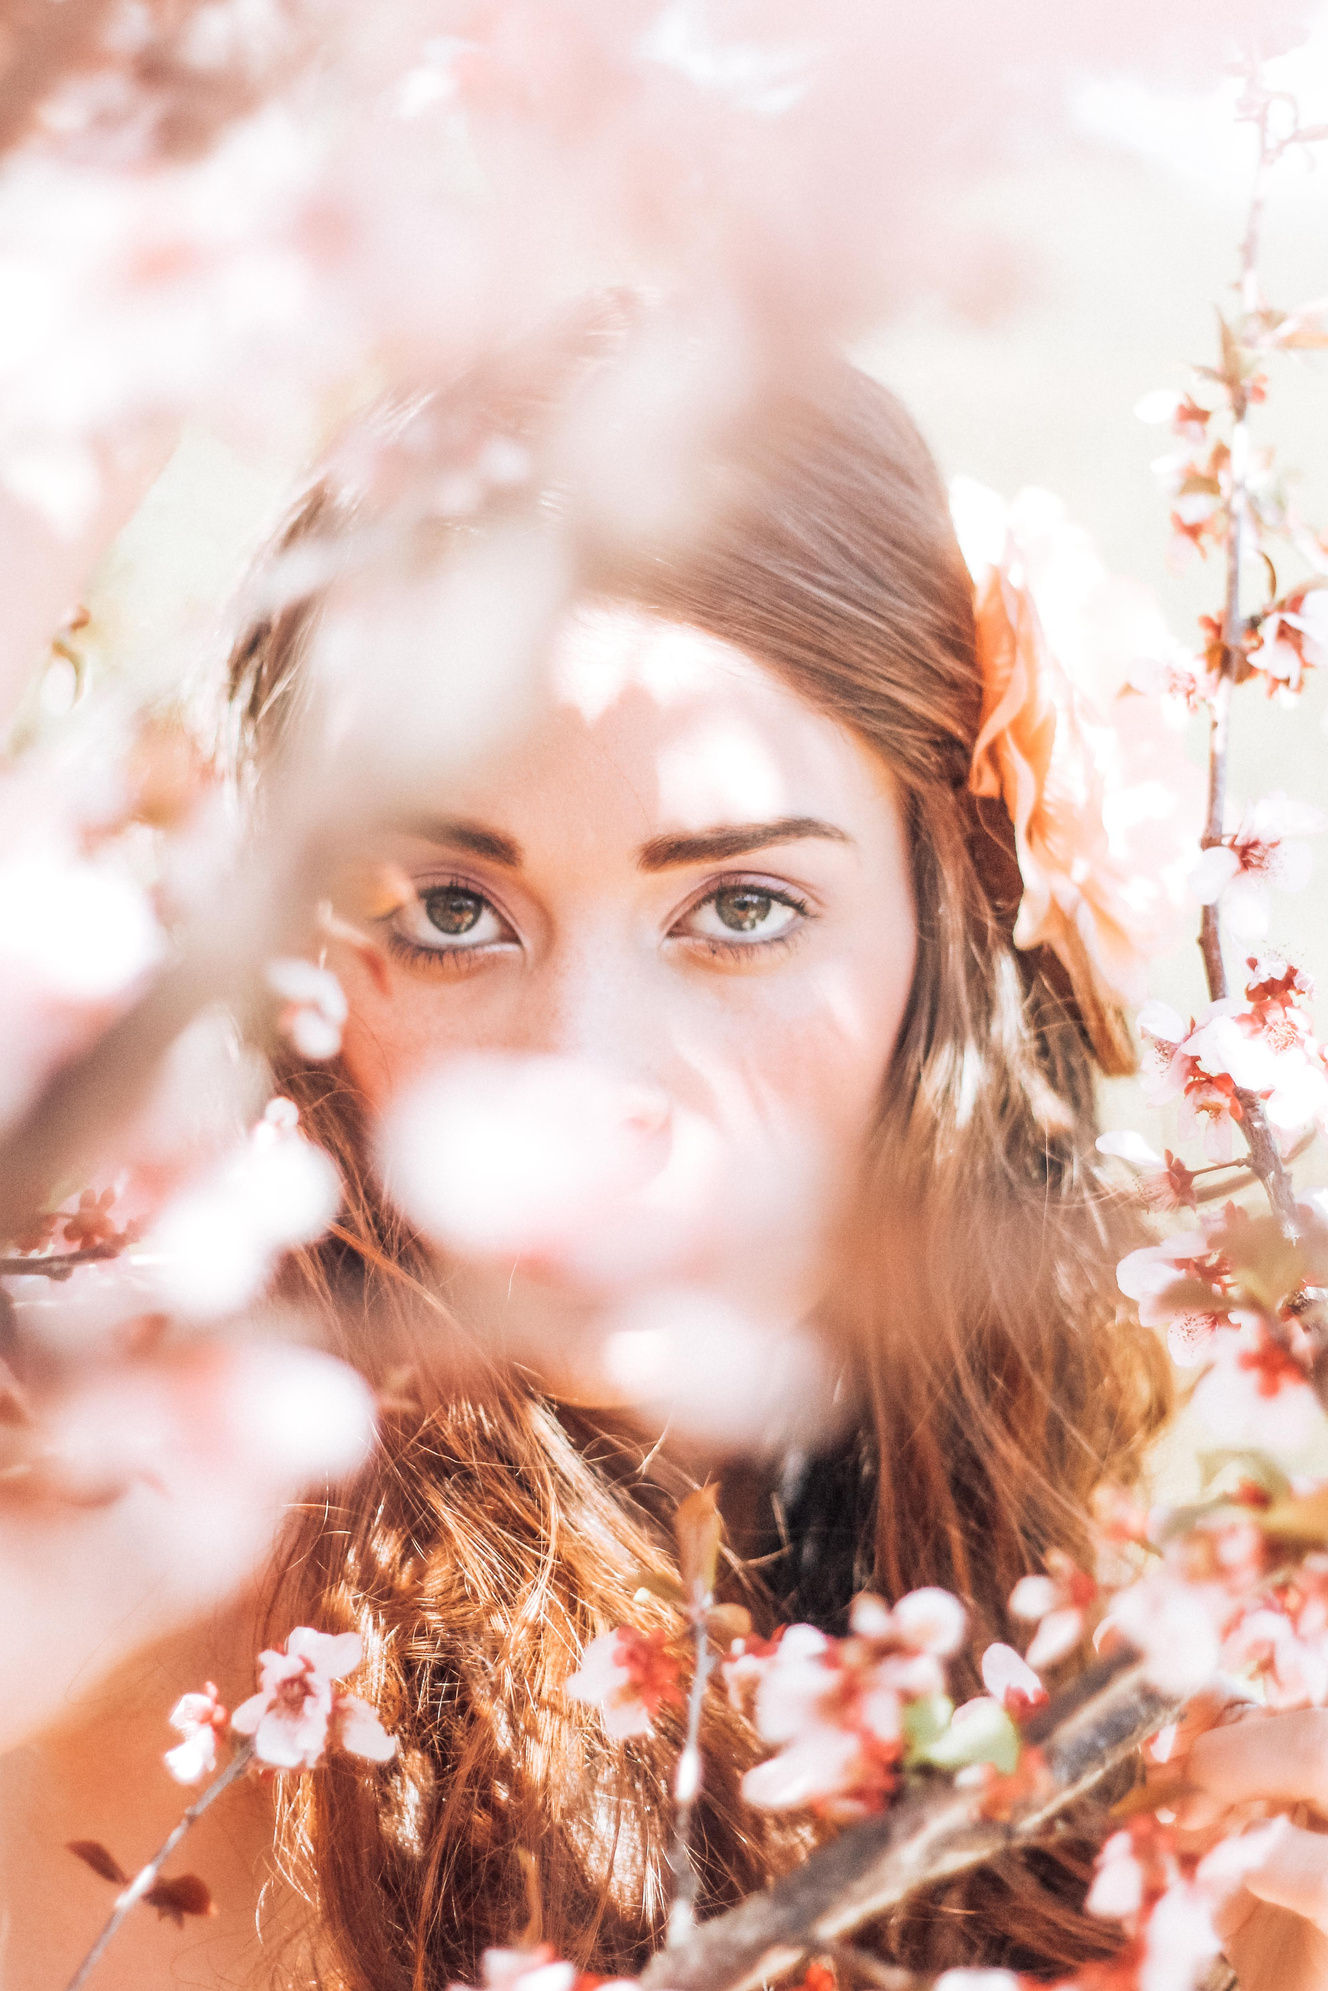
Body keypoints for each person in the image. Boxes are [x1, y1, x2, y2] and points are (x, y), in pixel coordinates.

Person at [4, 330, 1328, 1991]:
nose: (585, 1075)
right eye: (450, 915)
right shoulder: (125, 1541)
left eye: (742, 910)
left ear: (954, 927)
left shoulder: (1160, 1751)